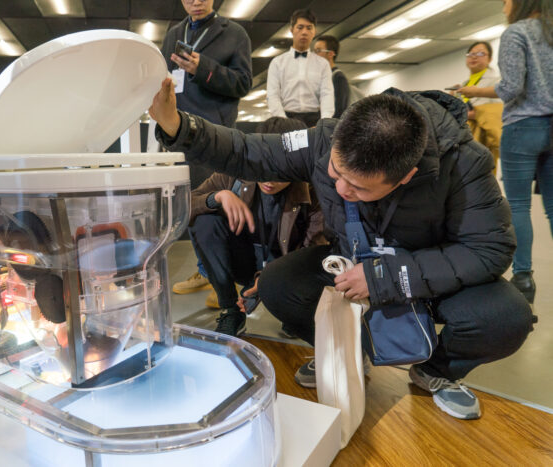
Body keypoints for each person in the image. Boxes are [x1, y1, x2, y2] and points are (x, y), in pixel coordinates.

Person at [149, 77, 534, 420]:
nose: (342, 189)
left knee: (506, 317)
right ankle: (345, 355)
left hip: (427, 272)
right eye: (335, 173)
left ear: (407, 176)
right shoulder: (324, 138)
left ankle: (435, 371)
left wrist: (385, 277)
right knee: (279, 284)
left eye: (360, 187)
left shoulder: (465, 164)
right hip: (351, 262)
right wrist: (178, 126)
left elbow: (489, 249)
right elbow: (249, 150)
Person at [189, 117, 326, 336]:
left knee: (298, 314)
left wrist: (268, 281)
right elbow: (184, 206)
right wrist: (217, 197)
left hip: (283, 266)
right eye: (264, 166)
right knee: (205, 220)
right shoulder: (234, 173)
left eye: (281, 171)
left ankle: (291, 310)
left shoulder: (314, 191)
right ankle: (230, 311)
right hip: (242, 258)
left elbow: (312, 253)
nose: (269, 179)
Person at [459, 0, 553, 304]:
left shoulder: (517, 32)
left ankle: (524, 278)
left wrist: (473, 92)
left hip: (523, 127)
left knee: (519, 205)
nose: (503, 5)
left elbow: (511, 88)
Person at [162, 0, 253, 297]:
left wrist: (205, 69)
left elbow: (242, 83)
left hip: (215, 133)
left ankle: (226, 279)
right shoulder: (174, 32)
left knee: (218, 208)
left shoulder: (234, 33)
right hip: (179, 133)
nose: (196, 1)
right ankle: (206, 270)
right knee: (190, 206)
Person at [266, 9, 334, 127]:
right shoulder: (277, 63)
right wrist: (284, 122)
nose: (304, 32)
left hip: (315, 120)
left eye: (309, 28)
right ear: (292, 30)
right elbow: (272, 95)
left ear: (314, 32)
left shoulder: (323, 64)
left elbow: (327, 94)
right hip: (287, 118)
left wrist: (324, 123)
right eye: (300, 27)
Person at [451, 41, 503, 173]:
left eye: (480, 53)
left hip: (485, 138)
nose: (474, 57)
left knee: (484, 174)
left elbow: (496, 112)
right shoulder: (465, 84)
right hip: (466, 137)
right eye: (471, 54)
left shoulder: (497, 82)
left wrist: (474, 114)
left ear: (490, 58)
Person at [313, 35, 350, 118]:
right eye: (314, 51)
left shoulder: (338, 78)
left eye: (318, 51)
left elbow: (339, 110)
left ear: (330, 54)